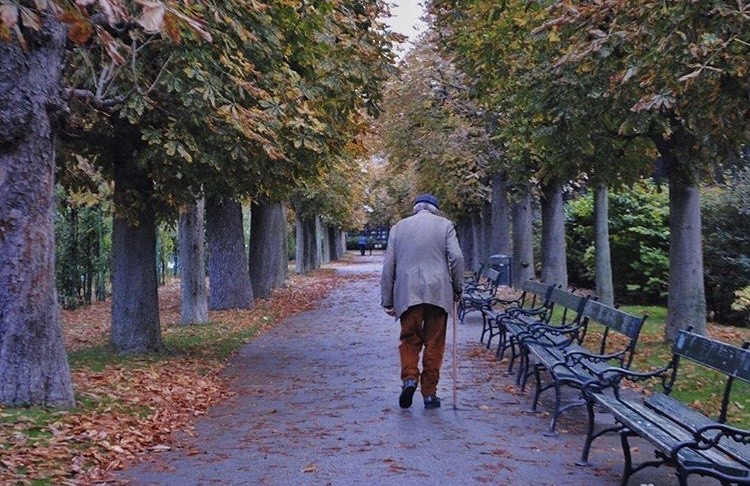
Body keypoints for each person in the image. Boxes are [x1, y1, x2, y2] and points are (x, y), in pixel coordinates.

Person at [380, 193, 464, 409]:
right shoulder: (445, 226)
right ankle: (429, 393)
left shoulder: (398, 228)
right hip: (439, 292)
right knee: (435, 342)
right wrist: (457, 287)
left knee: (409, 339)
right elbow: (456, 257)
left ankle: (409, 378)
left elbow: (389, 265)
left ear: (416, 208)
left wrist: (387, 299)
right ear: (435, 209)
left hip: (407, 293)